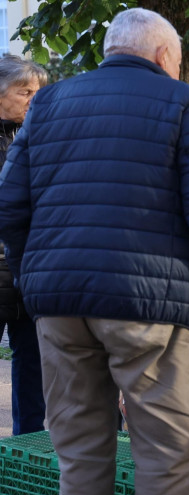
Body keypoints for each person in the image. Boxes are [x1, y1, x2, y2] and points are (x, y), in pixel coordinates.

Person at [0, 8, 189, 495]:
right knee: (166, 452)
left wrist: (34, 273)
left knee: (78, 450)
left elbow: (10, 202)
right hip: (146, 306)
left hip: (58, 304)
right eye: (177, 61)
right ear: (164, 55)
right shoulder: (186, 103)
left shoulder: (48, 101)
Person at [0, 55, 48, 435]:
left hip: (27, 270)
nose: (34, 99)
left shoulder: (34, 135)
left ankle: (25, 450)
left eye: (38, 91)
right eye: (24, 91)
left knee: (31, 363)